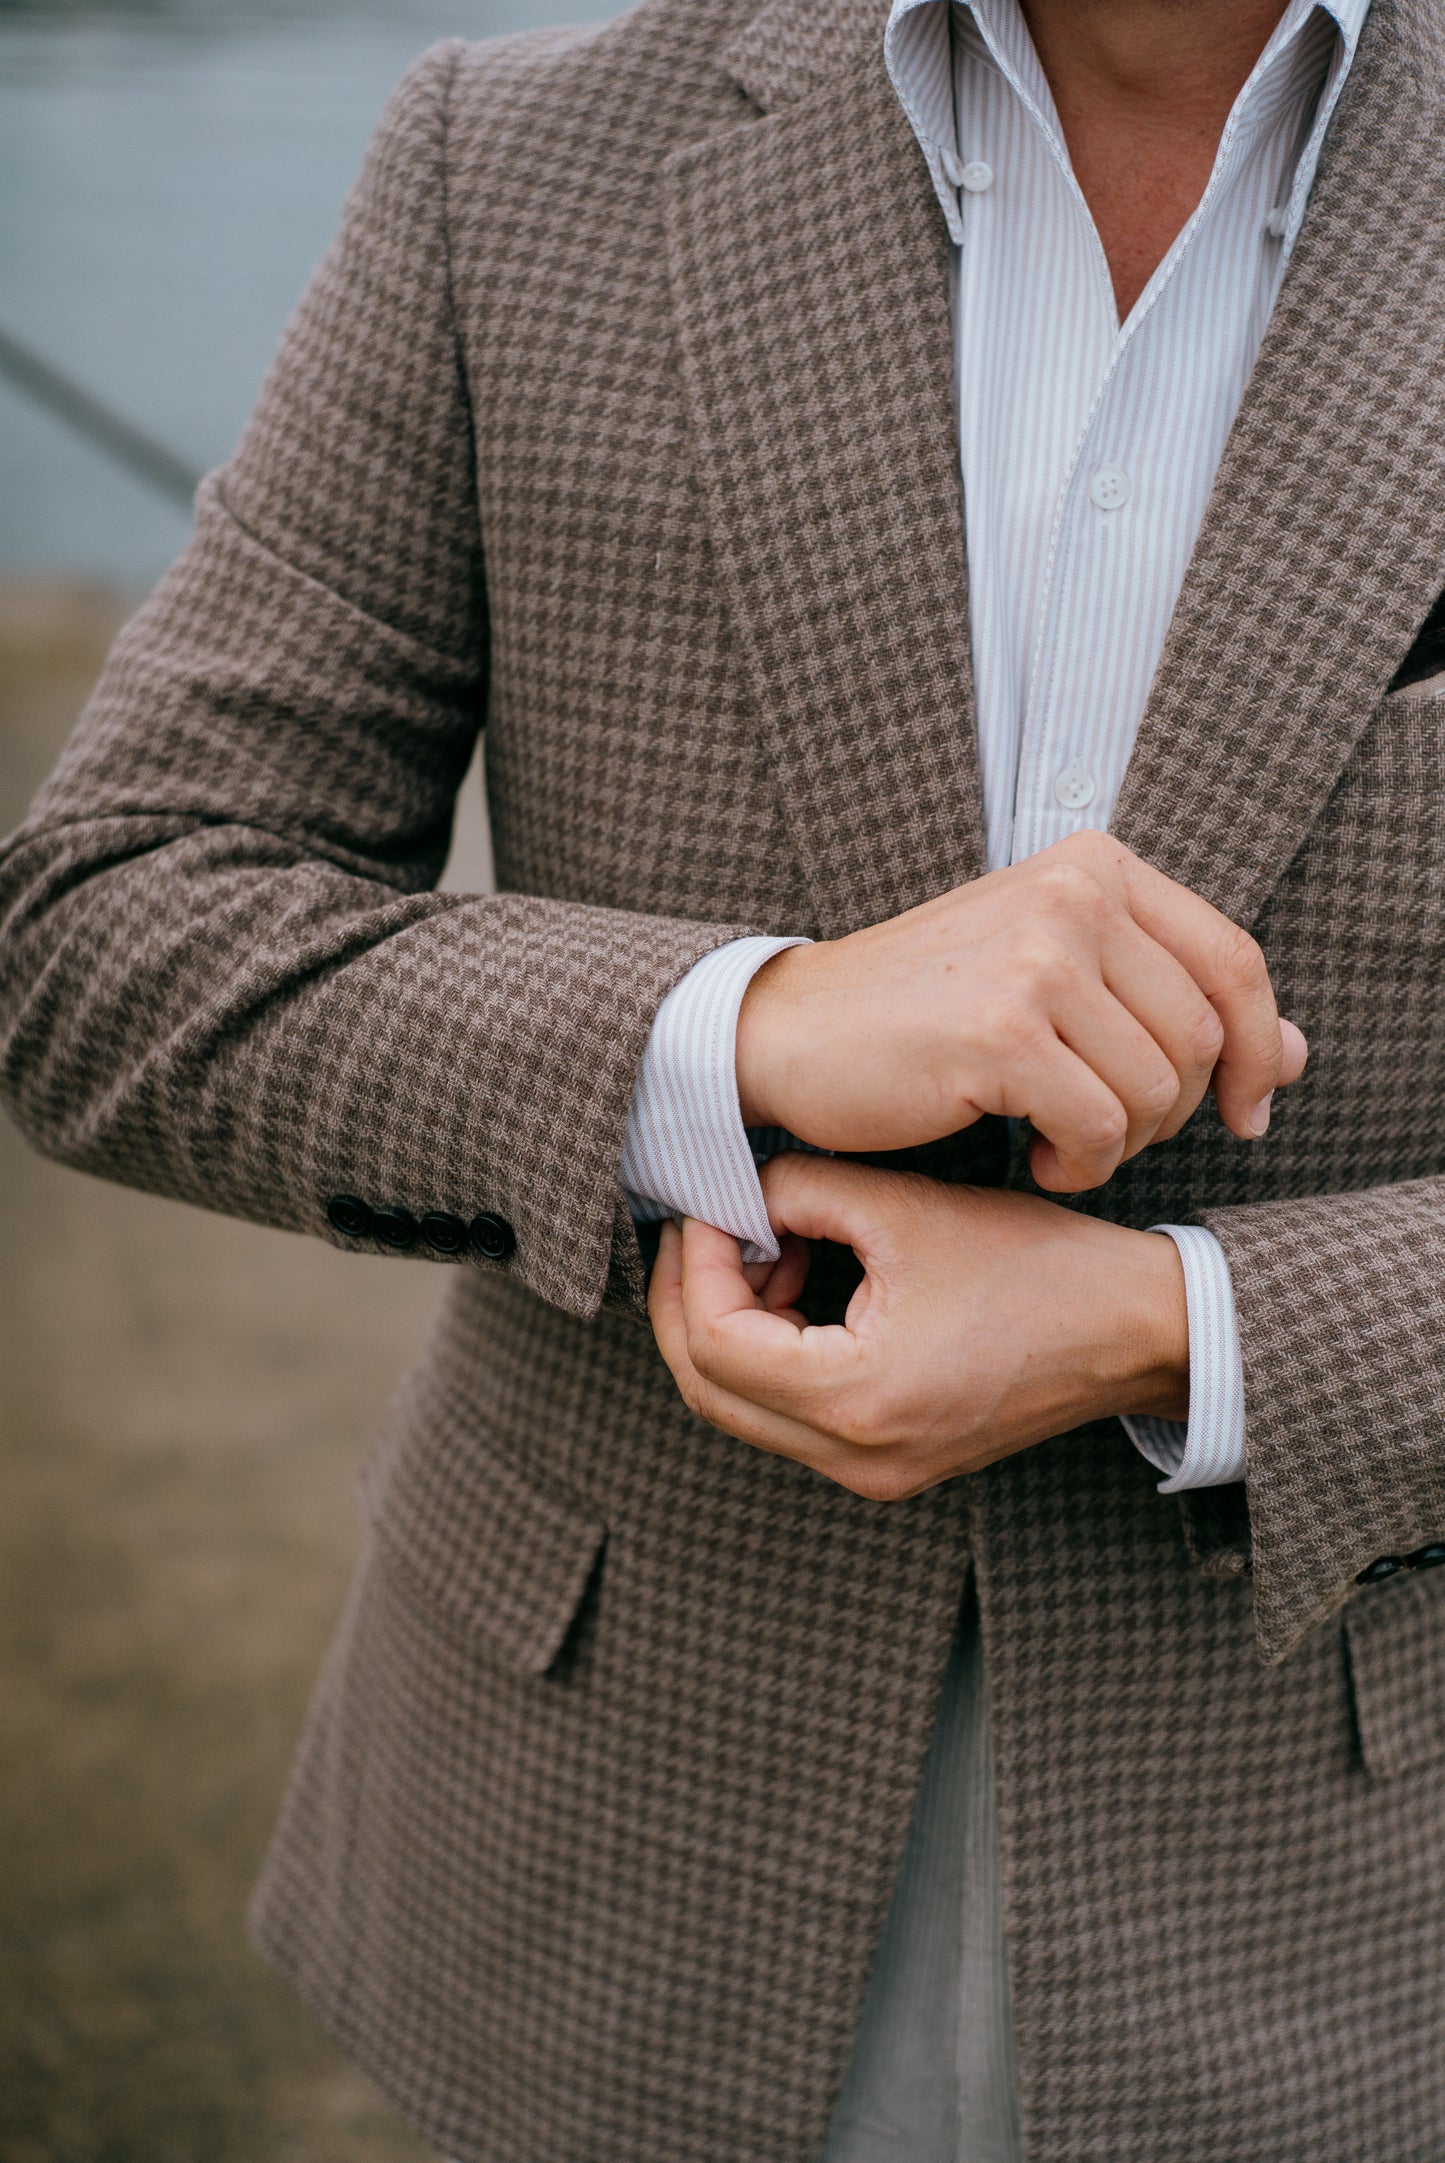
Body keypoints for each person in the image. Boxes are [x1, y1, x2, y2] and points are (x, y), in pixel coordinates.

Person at [2, 0, 1443, 2149]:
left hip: (1359, 1894)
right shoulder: (513, 158)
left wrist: (1183, 1330)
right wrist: (740, 1026)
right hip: (606, 1845)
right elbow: (106, 922)